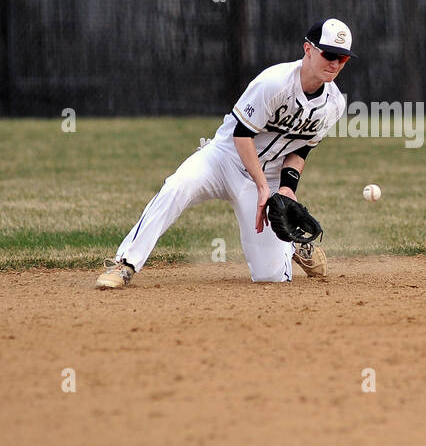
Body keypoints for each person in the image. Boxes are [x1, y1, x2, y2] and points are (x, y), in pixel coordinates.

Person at [96, 19, 355, 288]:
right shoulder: (274, 83)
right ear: (308, 49)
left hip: (266, 177)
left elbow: (301, 148)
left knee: (271, 278)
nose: (335, 63)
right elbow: (242, 135)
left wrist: (288, 189)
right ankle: (124, 263)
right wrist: (264, 186)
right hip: (223, 160)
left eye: (343, 58)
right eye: (329, 54)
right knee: (177, 186)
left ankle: (291, 247)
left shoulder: (334, 104)